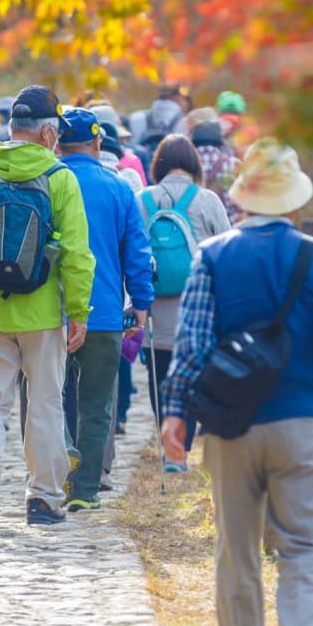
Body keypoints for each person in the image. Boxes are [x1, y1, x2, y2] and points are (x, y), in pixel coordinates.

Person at [161, 138, 313, 626]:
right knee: (302, 546)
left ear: (242, 198)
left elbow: (191, 344)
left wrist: (175, 413)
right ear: (294, 201)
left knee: (237, 553)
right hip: (299, 420)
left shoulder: (212, 257)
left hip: (231, 426)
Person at [0, 84, 95, 526]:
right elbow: (78, 255)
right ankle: (43, 498)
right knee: (45, 401)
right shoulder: (61, 178)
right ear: (48, 134)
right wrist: (79, 312)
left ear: (11, 128)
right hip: (42, 314)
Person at [56, 108, 153, 512]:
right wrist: (141, 304)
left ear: (57, 142)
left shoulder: (48, 181)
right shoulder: (117, 189)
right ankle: (86, 490)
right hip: (105, 312)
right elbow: (137, 252)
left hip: (49, 315)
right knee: (96, 405)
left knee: (48, 400)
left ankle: (52, 475)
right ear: (97, 142)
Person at [138, 134, 230, 471]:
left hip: (153, 307)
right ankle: (182, 451)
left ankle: (168, 448)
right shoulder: (208, 201)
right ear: (193, 164)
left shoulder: (142, 200)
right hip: (197, 308)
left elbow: (131, 253)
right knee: (191, 377)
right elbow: (226, 252)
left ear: (157, 164)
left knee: (159, 378)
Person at [189, 110, 242, 224]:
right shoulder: (234, 165)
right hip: (227, 230)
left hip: (195, 230)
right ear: (220, 141)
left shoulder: (185, 164)